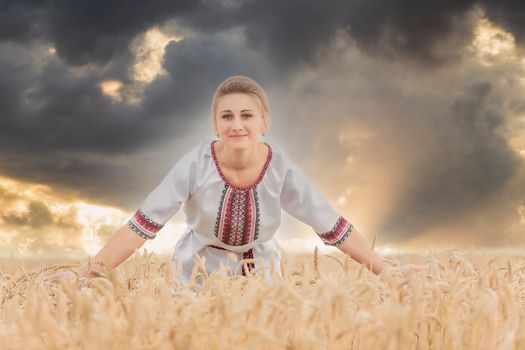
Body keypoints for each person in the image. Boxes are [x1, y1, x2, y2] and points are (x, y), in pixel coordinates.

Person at [50, 75, 425, 287]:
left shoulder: (281, 168)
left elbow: (331, 225)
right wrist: (86, 275)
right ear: (215, 125)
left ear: (264, 123)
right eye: (227, 116)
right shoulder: (194, 164)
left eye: (247, 115)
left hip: (263, 272)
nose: (237, 124)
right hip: (195, 271)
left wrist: (387, 272)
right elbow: (142, 225)